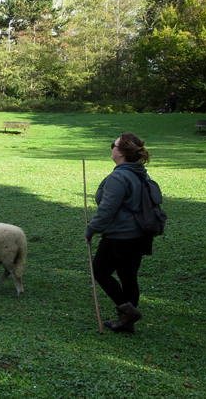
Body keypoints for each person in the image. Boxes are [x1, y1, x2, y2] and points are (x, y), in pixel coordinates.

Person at [85, 132, 154, 333]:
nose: (112, 148)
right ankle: (127, 322)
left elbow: (107, 209)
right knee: (128, 276)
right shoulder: (139, 172)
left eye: (113, 145)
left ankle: (128, 312)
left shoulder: (119, 176)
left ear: (121, 152)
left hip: (120, 236)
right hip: (140, 235)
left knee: (99, 271)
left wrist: (91, 229)